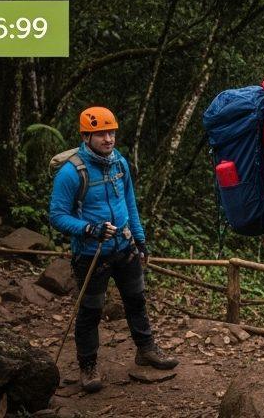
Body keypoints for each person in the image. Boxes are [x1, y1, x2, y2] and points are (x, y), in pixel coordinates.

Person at [49, 106, 178, 393]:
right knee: (90, 311)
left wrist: (141, 239)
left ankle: (146, 349)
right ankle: (88, 365)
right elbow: (57, 215)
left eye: (111, 132)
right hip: (90, 252)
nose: (108, 139)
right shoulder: (71, 173)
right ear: (86, 136)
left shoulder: (119, 163)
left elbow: (129, 204)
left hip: (124, 245)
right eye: (101, 134)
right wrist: (88, 229)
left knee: (136, 300)